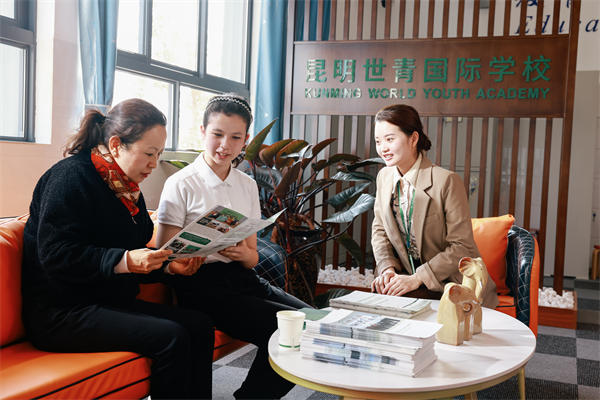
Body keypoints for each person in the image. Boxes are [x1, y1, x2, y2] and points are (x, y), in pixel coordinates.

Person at [21, 99, 215, 399]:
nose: (155, 163)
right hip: (61, 312)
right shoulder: (69, 178)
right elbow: (56, 255)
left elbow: (134, 255)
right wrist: (124, 260)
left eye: (159, 154)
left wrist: (167, 266)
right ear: (116, 145)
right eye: (149, 153)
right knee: (172, 337)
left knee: (200, 325)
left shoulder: (126, 189)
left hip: (108, 302)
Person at [157, 93, 310, 400]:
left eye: (235, 137)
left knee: (313, 324)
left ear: (246, 141)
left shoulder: (247, 185)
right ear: (203, 131)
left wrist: (243, 253)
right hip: (199, 285)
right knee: (289, 330)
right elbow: (163, 256)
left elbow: (252, 258)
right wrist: (182, 261)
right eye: (217, 134)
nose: (224, 145)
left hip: (242, 278)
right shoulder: (181, 183)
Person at [370, 104, 499, 308]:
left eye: (390, 139)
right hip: (409, 280)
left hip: (450, 283)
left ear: (413, 139)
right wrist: (387, 268)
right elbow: (380, 230)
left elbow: (462, 246)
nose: (382, 148)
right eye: (378, 141)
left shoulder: (447, 181)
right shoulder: (384, 177)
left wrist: (417, 278)